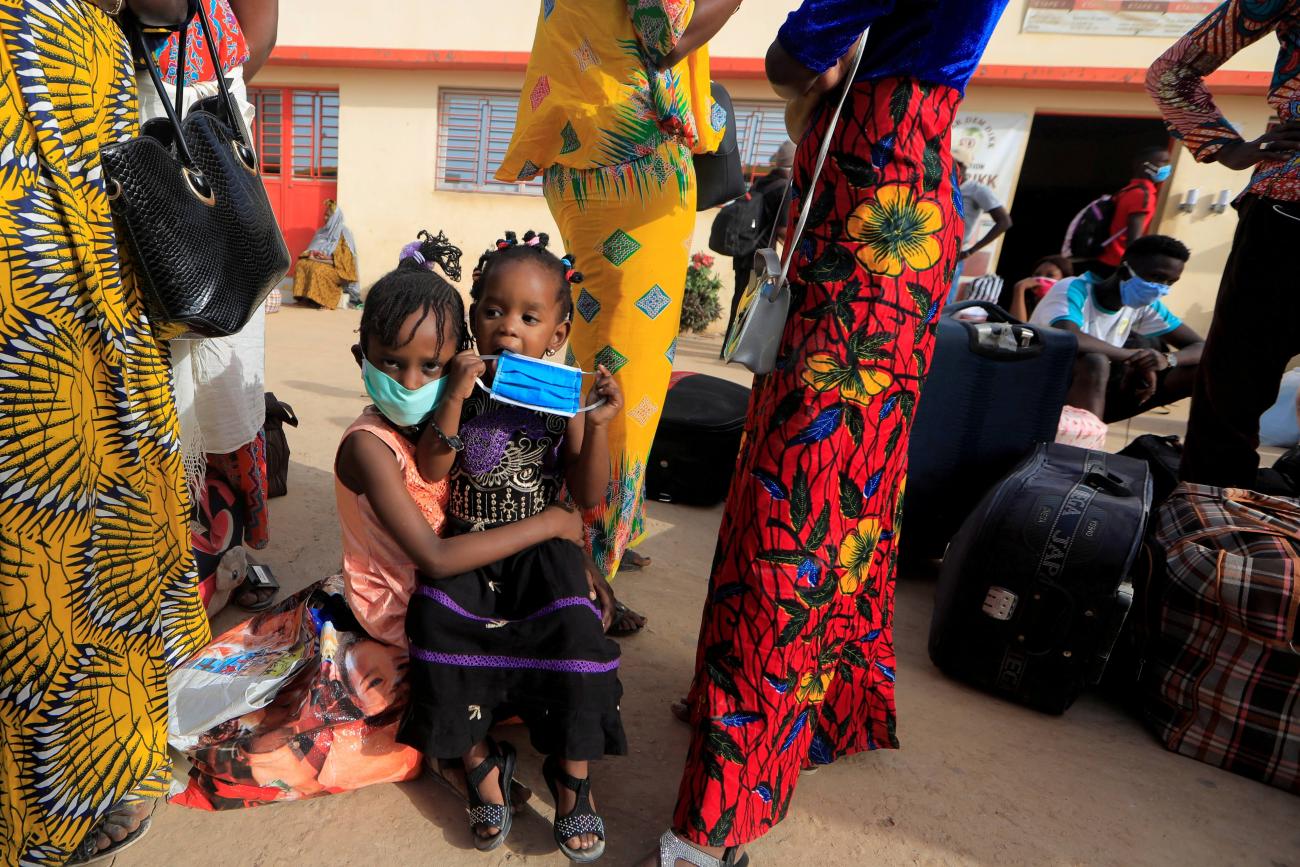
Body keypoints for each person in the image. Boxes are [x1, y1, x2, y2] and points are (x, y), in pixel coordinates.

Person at [639, 1, 1010, 864]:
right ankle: (811, 710)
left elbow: (798, 49)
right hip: (891, 203)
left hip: (873, 206)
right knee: (844, 485)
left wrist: (813, 66)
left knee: (798, 505)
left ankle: (721, 812)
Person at [0, 1, 215, 863]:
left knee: (72, 475)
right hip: (50, 119)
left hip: (61, 125)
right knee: (63, 480)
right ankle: (80, 769)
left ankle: (90, 758)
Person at [496, 0, 741, 634]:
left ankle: (570, 529)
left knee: (591, 359)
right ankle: (587, 577)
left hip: (584, 149)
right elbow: (670, 32)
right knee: (628, 381)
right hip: (632, 164)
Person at [401, 232, 626, 861]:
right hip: (471, 546)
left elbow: (585, 494)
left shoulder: (563, 396)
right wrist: (452, 398)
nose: (508, 329)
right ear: (474, 318)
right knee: (436, 626)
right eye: (494, 312)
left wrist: (600, 426)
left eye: (529, 318)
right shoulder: (460, 385)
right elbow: (433, 468)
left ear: (556, 333)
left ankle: (571, 776)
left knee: (578, 634)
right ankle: (480, 760)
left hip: (539, 556)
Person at [1147, 0, 1300, 487]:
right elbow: (1170, 73)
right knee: (1233, 393)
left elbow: (1170, 74)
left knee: (1233, 392)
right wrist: (1225, 146)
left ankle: (1211, 531)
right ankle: (1211, 531)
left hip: (1286, 212)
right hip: (1289, 211)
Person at [1030, 235, 1204, 423]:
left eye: (1170, 282)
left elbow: (1201, 346)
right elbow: (1070, 336)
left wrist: (1166, 359)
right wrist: (1135, 358)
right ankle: (1080, 447)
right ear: (1124, 271)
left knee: (1197, 371)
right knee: (1095, 361)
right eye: (1157, 277)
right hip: (1040, 388)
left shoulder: (1146, 306)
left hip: (1092, 392)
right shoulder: (1073, 288)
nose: (1161, 288)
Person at [727, 140, 795, 329]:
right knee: (753, 301)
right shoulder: (784, 188)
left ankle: (728, 346)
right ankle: (740, 348)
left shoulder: (759, 183)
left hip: (742, 249)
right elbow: (782, 229)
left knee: (739, 297)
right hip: (761, 256)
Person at [1091, 146, 1171, 278]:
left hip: (1105, 258)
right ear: (1143, 165)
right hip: (1117, 263)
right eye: (1163, 162)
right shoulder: (1142, 195)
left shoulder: (1128, 190)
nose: (1167, 167)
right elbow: (1134, 239)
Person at [949, 147, 1012, 300]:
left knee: (941, 305)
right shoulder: (936, 184)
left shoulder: (976, 190)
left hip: (952, 255)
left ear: (963, 167)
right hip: (929, 249)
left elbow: (1004, 221)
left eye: (954, 163)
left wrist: (970, 251)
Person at [292, 199, 363, 310]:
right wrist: (313, 254)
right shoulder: (321, 232)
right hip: (319, 261)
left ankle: (325, 301)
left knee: (318, 270)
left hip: (338, 268)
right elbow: (312, 248)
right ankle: (306, 299)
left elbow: (347, 260)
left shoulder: (344, 233)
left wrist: (328, 257)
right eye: (324, 215)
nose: (325, 218)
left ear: (335, 218)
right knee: (301, 264)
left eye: (328, 216)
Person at [1007, 254, 1073, 321]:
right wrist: (1019, 289)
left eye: (1050, 275)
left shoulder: (1066, 307)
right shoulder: (1026, 303)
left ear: (1063, 279)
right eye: (1037, 275)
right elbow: (1015, 327)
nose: (1041, 279)